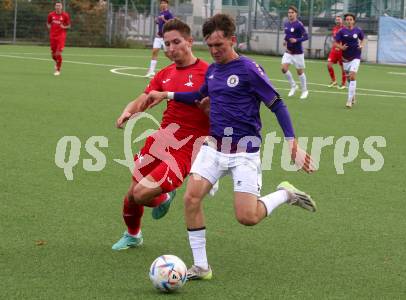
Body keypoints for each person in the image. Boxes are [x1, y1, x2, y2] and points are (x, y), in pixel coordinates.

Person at [146, 13, 317, 280]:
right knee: (191, 199)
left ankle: (285, 193)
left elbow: (277, 104)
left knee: (247, 217)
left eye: (219, 45)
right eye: (210, 46)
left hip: (244, 153)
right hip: (213, 148)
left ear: (232, 40)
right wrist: (166, 94)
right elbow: (198, 96)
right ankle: (201, 267)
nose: (214, 51)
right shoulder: (212, 71)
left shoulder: (248, 70)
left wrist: (292, 143)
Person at [112, 18, 211, 251]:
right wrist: (129, 110)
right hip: (160, 140)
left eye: (176, 42)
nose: (171, 49)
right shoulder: (165, 74)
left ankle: (166, 196)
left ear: (190, 41)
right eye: (166, 44)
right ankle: (133, 235)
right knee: (131, 195)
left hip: (186, 148)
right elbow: (144, 97)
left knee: (140, 193)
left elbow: (223, 111)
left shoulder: (208, 73)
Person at [335, 13, 365, 108]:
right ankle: (353, 97)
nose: (348, 21)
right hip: (345, 58)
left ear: (354, 21)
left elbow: (363, 39)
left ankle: (349, 101)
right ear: (345, 21)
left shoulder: (358, 30)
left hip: (356, 56)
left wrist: (361, 45)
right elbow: (335, 43)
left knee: (352, 76)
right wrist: (341, 47)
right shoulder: (341, 31)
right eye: (347, 19)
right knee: (348, 78)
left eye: (350, 19)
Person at [281, 6, 309, 99]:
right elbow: (287, 35)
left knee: (300, 72)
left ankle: (304, 90)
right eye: (289, 12)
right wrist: (285, 40)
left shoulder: (299, 25)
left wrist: (296, 40)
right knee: (284, 69)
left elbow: (306, 37)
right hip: (288, 52)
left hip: (298, 53)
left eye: (292, 12)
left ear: (296, 14)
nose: (290, 14)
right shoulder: (286, 24)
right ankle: (293, 86)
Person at [146, 0, 174, 78]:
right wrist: (157, 21)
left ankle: (176, 63)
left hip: (166, 37)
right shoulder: (161, 13)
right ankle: (151, 71)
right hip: (159, 36)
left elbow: (172, 23)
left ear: (167, 4)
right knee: (154, 51)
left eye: (164, 3)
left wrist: (164, 19)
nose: (163, 4)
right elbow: (161, 23)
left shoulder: (169, 13)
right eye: (161, 3)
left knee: (167, 54)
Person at [47, 2, 70, 76]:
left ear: (61, 7)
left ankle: (58, 70)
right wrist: (49, 27)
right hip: (52, 36)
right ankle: (57, 62)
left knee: (58, 53)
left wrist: (64, 27)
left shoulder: (65, 15)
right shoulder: (51, 15)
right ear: (55, 7)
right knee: (53, 55)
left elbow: (69, 25)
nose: (58, 7)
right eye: (56, 5)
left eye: (59, 6)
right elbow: (48, 23)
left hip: (61, 37)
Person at [327, 16, 346, 89]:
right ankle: (334, 81)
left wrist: (342, 47)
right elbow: (335, 40)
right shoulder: (334, 29)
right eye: (336, 20)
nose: (337, 21)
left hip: (341, 51)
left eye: (339, 19)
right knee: (329, 65)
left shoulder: (345, 29)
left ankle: (343, 83)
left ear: (342, 21)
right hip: (334, 50)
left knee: (343, 67)